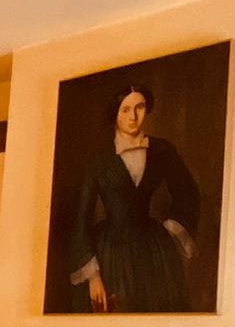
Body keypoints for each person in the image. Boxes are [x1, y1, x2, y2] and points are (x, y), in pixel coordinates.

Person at [68, 81, 200, 313]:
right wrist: (93, 276)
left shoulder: (162, 150)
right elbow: (81, 218)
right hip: (110, 253)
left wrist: (169, 233)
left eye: (140, 107)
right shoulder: (99, 158)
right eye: (126, 109)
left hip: (153, 251)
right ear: (115, 113)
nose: (133, 116)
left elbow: (188, 193)